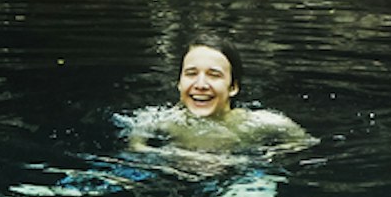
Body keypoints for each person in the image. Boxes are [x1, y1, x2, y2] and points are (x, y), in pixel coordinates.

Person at [126, 36, 311, 159]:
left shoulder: (257, 123)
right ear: (179, 83)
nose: (200, 84)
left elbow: (303, 142)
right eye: (191, 73)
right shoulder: (159, 121)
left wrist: (259, 159)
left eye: (214, 75)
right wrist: (174, 158)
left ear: (233, 87)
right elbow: (136, 147)